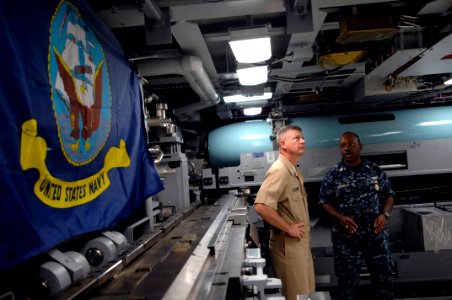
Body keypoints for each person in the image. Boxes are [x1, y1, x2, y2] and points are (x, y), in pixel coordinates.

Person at [318, 131, 395, 300]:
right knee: (347, 284)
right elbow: (324, 202)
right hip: (347, 238)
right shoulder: (334, 174)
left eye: (351, 144)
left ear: (360, 147)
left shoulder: (374, 170)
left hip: (375, 235)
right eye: (343, 145)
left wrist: (385, 215)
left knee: (384, 281)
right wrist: (339, 218)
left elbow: (389, 194)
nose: (347, 148)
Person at [254, 125, 315, 300]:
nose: (302, 141)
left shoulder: (293, 170)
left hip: (300, 245)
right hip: (289, 246)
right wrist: (288, 228)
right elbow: (261, 206)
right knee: (296, 296)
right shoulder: (279, 170)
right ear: (283, 143)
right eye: (296, 138)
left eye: (302, 137)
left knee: (305, 294)